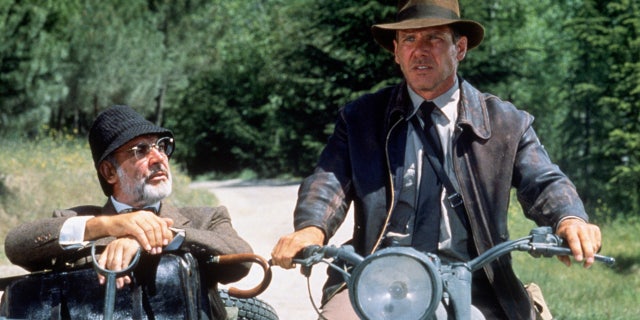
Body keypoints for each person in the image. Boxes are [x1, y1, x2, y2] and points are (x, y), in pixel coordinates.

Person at [271, 0, 602, 319]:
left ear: (460, 49)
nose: (420, 49)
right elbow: (328, 180)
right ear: (397, 53)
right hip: (374, 271)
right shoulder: (360, 118)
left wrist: (569, 219)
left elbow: (542, 180)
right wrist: (312, 229)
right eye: (410, 39)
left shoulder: (506, 123)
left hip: (473, 279)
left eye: (434, 38)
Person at [4, 105, 253, 319]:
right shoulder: (76, 221)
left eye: (161, 146)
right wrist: (109, 226)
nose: (159, 158)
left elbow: (243, 261)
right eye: (141, 150)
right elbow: (16, 245)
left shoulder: (206, 218)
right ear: (109, 172)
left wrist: (160, 235)